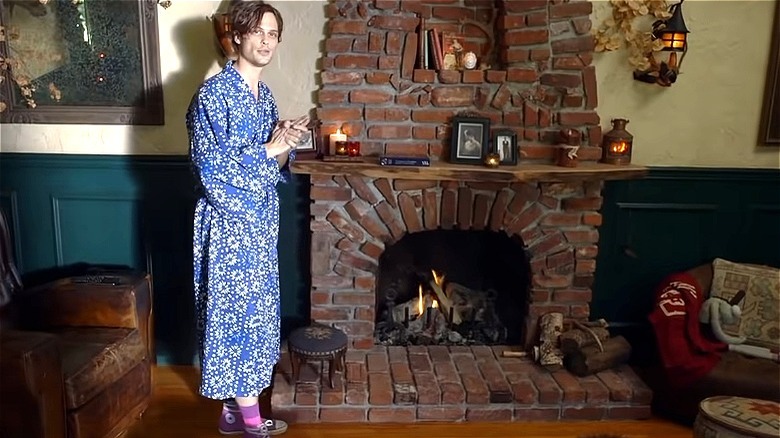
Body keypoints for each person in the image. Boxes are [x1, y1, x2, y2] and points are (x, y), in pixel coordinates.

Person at [185, 1, 308, 437]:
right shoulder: (213, 96)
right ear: (236, 36)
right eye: (257, 31)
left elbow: (269, 168)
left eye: (272, 34)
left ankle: (233, 416)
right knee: (236, 317)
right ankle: (252, 422)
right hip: (228, 227)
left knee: (257, 316)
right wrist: (270, 149)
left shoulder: (266, 96)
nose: (266, 41)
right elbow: (213, 174)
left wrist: (284, 140)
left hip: (259, 225)